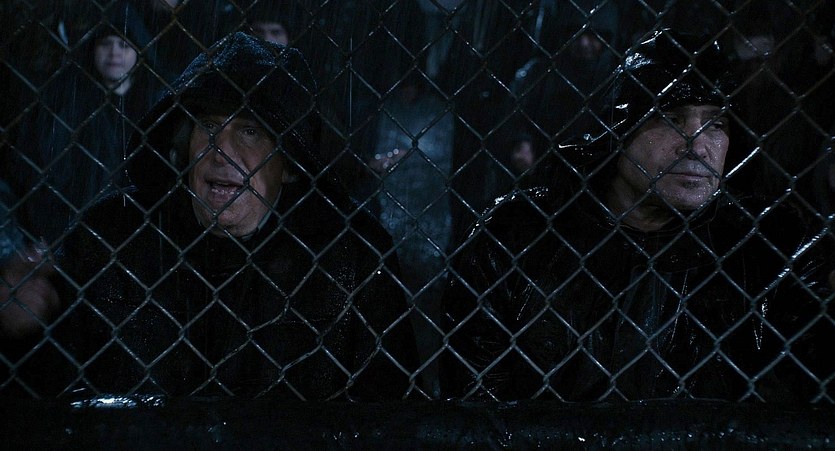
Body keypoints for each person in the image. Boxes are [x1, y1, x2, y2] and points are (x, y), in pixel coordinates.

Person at [0, 32, 417, 401]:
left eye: (250, 131)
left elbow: (392, 410)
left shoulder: (351, 255)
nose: (221, 151)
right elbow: (46, 392)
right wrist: (19, 331)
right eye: (210, 126)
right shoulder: (112, 236)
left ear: (290, 163)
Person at [441, 30, 835, 402]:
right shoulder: (516, 236)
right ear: (619, 127)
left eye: (715, 123)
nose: (698, 145)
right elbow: (474, 406)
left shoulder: (771, 244)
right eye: (671, 119)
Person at [6, 1, 161, 244]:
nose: (114, 53)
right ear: (93, 49)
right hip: (74, 223)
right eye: (105, 44)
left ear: (139, 51)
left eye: (124, 45)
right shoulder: (71, 103)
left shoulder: (154, 103)